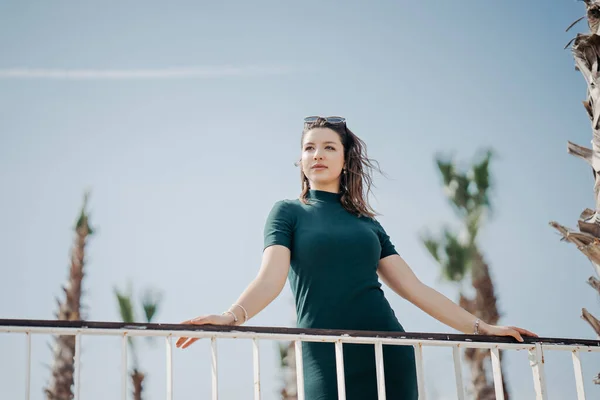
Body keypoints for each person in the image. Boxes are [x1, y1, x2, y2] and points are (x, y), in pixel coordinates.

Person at [176, 116, 538, 399]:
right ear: (300, 159)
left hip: (387, 351)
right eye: (309, 148)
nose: (317, 154)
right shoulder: (287, 212)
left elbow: (414, 289)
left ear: (346, 159)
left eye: (329, 147)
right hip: (323, 352)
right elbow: (270, 280)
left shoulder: (367, 224)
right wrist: (229, 317)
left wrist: (481, 328)